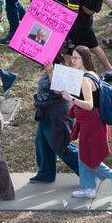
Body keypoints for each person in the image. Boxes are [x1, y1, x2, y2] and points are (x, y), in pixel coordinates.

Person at [62, 45, 112, 199]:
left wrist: (71, 99)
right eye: (73, 57)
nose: (73, 60)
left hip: (92, 121)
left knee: (87, 155)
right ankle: (89, 187)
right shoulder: (91, 74)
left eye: (76, 58)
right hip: (93, 120)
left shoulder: (85, 79)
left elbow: (89, 105)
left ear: (84, 59)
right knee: (84, 154)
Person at [29, 55, 80, 183]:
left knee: (62, 146)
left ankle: (89, 170)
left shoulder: (61, 68)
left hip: (57, 115)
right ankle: (46, 173)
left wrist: (51, 72)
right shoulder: (49, 67)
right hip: (46, 113)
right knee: (42, 142)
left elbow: (60, 90)